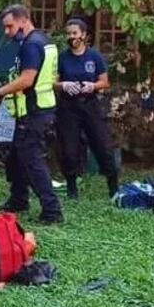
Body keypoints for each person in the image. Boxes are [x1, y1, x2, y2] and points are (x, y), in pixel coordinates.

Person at [0, 4, 63, 224]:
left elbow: (27, 79)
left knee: (33, 161)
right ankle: (18, 200)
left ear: (24, 20)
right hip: (38, 110)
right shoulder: (44, 41)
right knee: (15, 158)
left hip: (34, 112)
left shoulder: (31, 46)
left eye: (9, 26)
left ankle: (52, 211)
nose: (7, 32)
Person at [55, 17, 120, 200]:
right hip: (68, 107)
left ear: (83, 35)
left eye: (75, 33)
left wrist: (93, 86)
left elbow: (105, 82)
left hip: (90, 104)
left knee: (103, 145)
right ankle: (72, 188)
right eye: (68, 34)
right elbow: (53, 82)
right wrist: (64, 85)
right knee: (69, 149)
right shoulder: (62, 57)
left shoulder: (94, 56)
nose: (71, 37)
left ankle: (113, 186)